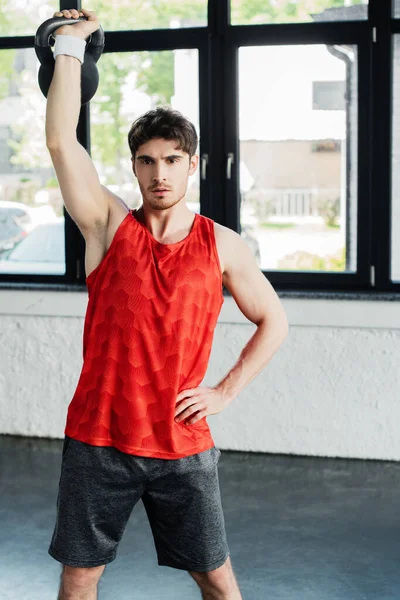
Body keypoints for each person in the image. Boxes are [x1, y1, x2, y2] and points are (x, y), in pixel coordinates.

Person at [45, 8, 289, 600]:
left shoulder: (221, 244)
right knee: (80, 578)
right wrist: (69, 50)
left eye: (172, 160)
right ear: (133, 166)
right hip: (99, 440)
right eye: (148, 160)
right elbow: (59, 140)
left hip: (181, 444)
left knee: (217, 579)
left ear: (192, 165)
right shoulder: (106, 226)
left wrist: (223, 392)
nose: (160, 173)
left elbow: (272, 319)